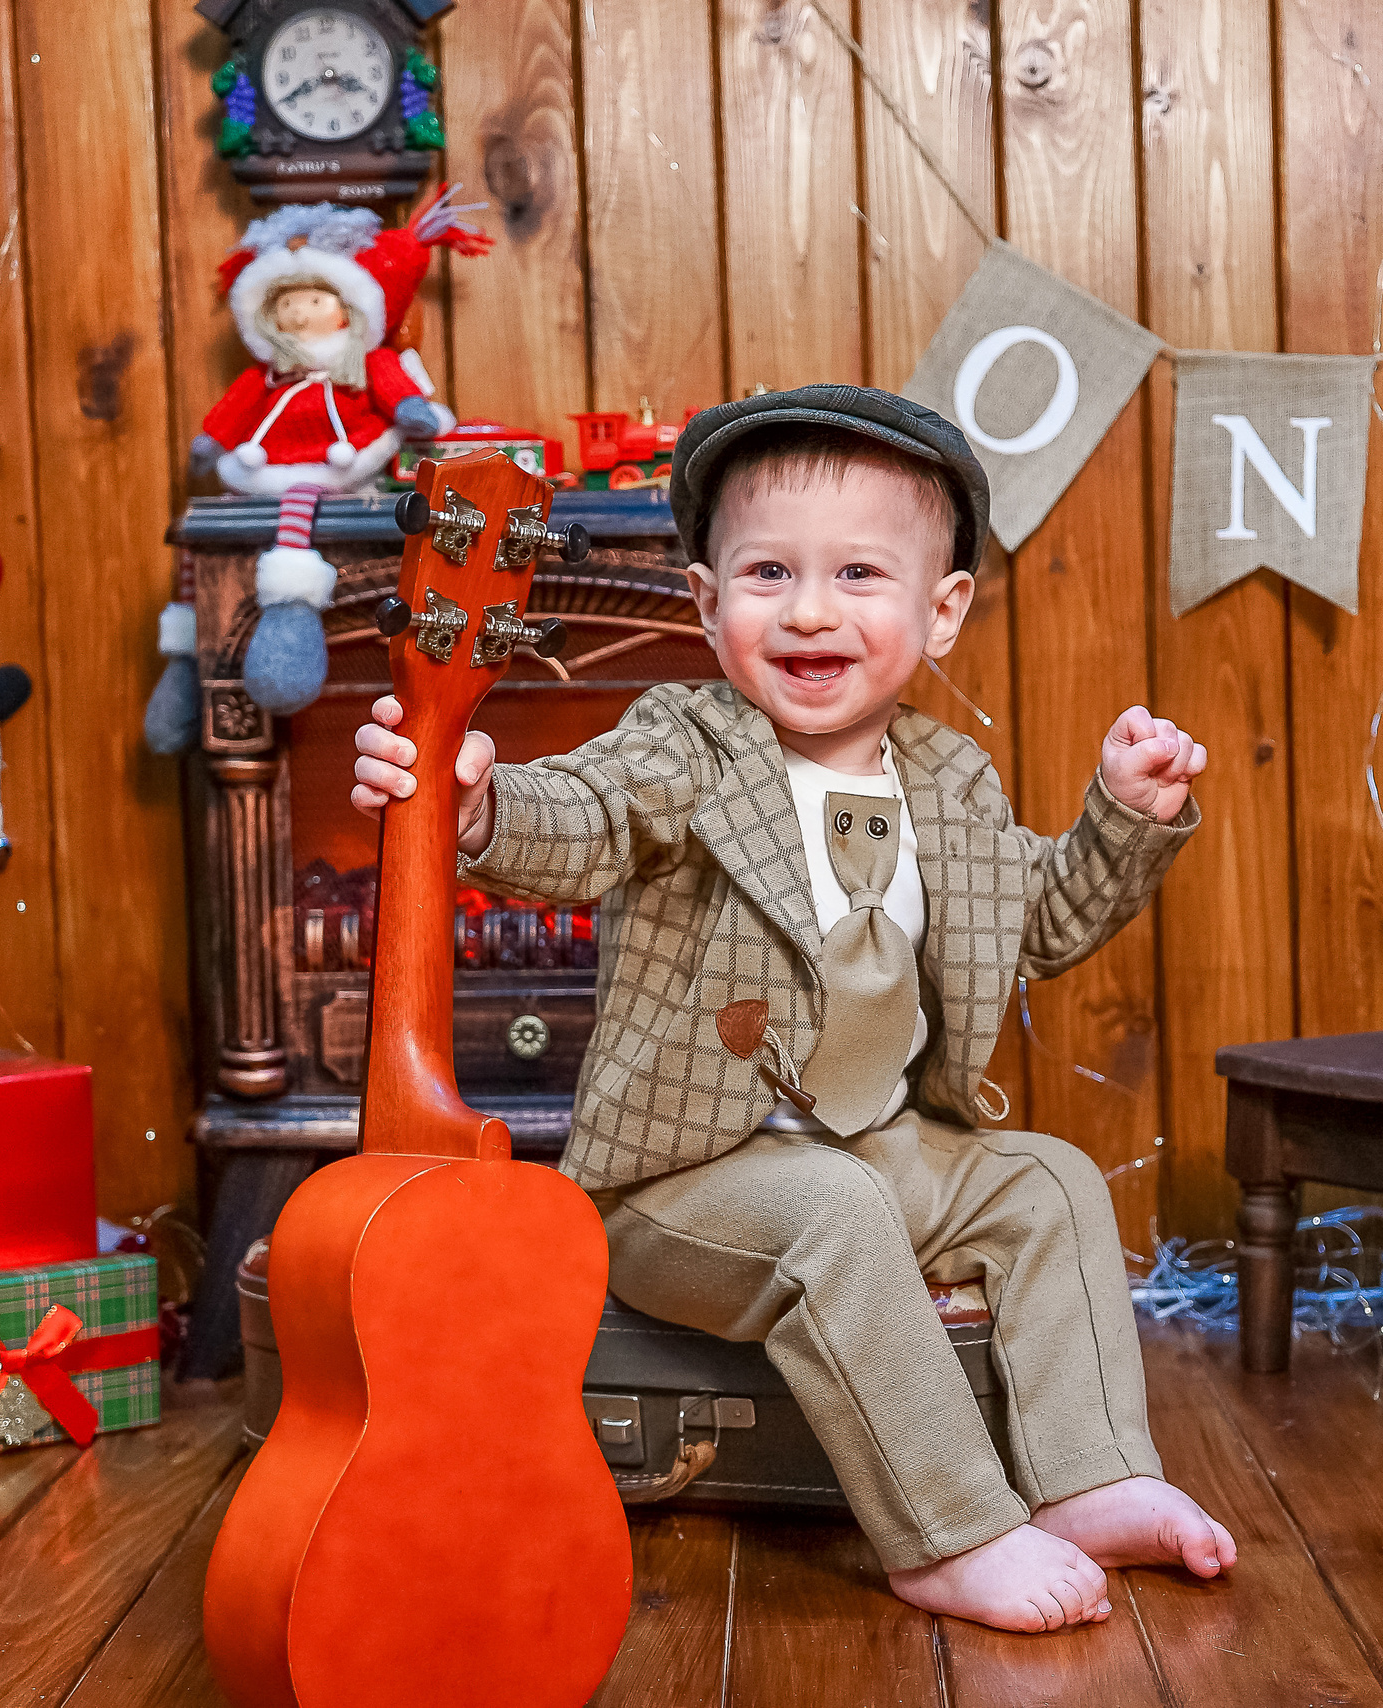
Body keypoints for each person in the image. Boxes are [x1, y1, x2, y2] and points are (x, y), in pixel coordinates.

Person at [350, 385, 1235, 1633]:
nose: (809, 609)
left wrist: (1122, 821)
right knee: (832, 1213)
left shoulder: (947, 777)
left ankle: (1090, 1474)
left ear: (940, 612)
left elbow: (1033, 925)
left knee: (1046, 1183)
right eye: (767, 572)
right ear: (709, 608)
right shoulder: (690, 746)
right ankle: (947, 1531)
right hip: (683, 1187)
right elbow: (590, 813)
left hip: (878, 1148)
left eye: (859, 574)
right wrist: (484, 802)